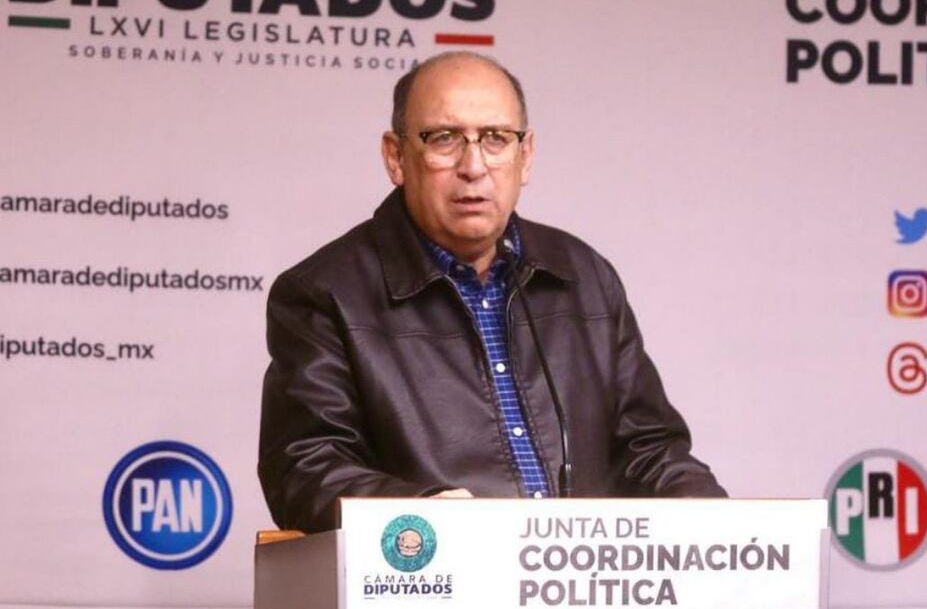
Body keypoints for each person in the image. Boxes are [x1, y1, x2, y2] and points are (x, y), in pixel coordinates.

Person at [258, 52, 725, 533]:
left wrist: (724, 526)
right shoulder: (324, 293)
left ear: (526, 157)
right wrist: (429, 513)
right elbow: (305, 467)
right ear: (396, 157)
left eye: (496, 139)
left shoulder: (584, 276)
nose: (474, 166)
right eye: (444, 139)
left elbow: (648, 451)